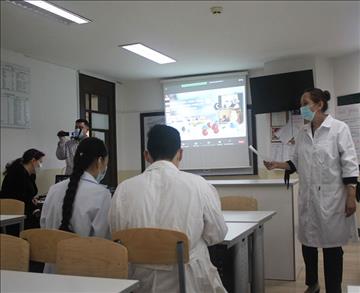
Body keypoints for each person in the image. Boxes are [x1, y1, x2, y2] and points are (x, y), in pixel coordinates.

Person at [109, 124, 228, 293]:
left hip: (138, 282)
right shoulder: (199, 185)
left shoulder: (123, 189)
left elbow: (117, 236)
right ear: (180, 154)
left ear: (146, 155)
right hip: (188, 282)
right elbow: (217, 234)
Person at [264, 88, 359, 293]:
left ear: (319, 104)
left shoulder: (338, 129)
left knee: (332, 248)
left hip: (332, 198)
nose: (302, 108)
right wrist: (276, 165)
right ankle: (312, 284)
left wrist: (351, 196)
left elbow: (350, 163)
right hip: (308, 198)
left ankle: (334, 289)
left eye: (305, 103)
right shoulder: (303, 132)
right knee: (308, 244)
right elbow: (296, 162)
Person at [41, 137, 111, 272]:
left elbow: (44, 226)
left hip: (51, 272)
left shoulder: (54, 189)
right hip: (84, 272)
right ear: (100, 161)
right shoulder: (102, 194)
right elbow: (102, 241)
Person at [0, 149, 45, 231]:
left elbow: (26, 194)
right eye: (40, 162)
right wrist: (34, 208)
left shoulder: (30, 174)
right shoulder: (17, 174)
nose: (41, 165)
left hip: (24, 210)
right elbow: (18, 197)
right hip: (13, 214)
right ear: (33, 161)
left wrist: (31, 199)